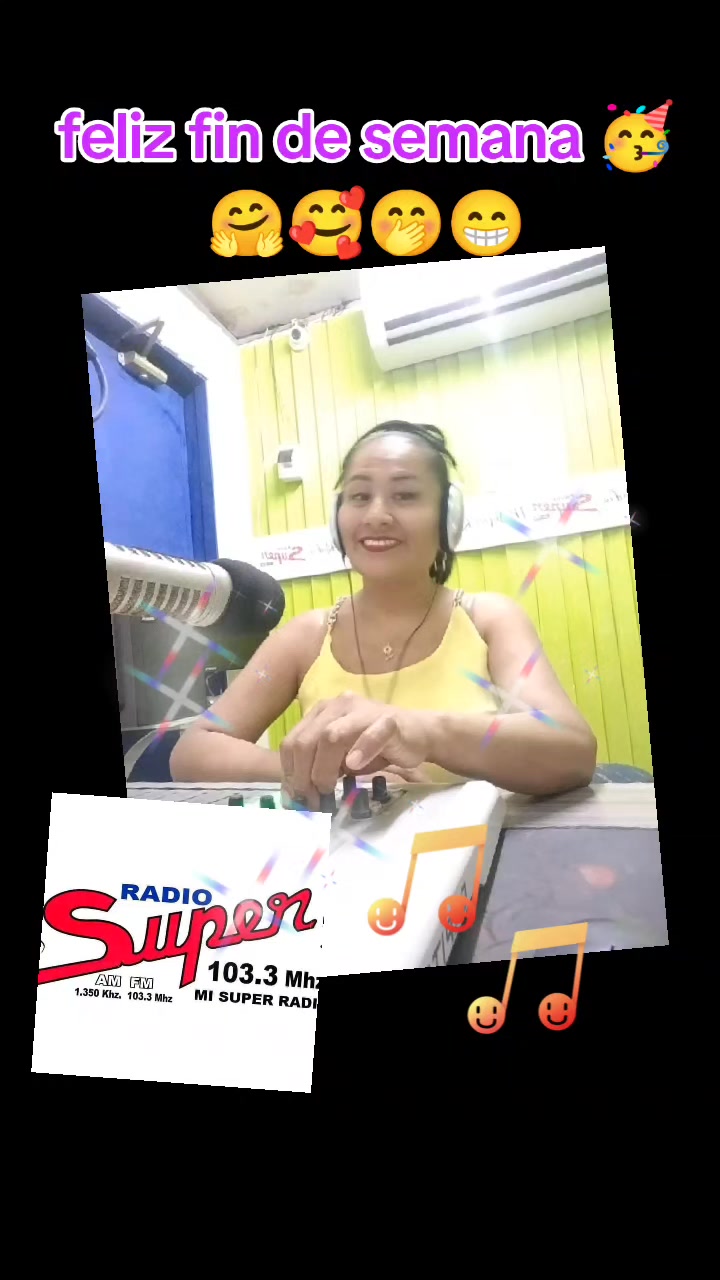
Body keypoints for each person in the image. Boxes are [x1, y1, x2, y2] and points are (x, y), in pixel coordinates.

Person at [170, 421, 597, 807]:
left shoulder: (489, 620)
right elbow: (194, 751)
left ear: (448, 517)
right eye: (359, 496)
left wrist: (421, 732)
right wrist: (320, 770)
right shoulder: (305, 638)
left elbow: (572, 750)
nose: (376, 515)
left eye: (405, 495)